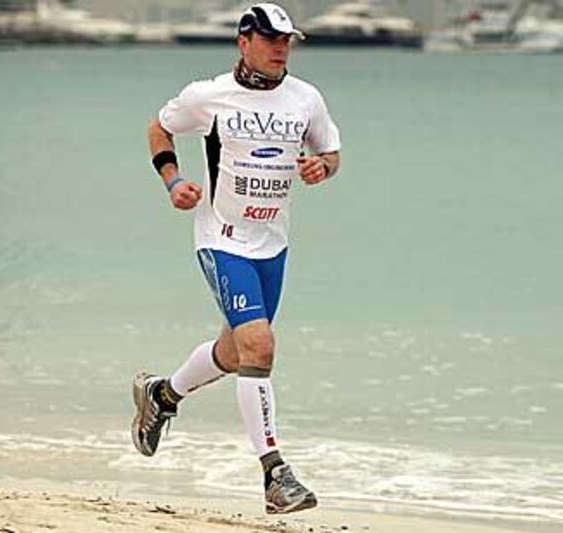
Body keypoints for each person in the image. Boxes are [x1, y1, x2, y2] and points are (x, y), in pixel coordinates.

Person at [131, 3, 341, 515]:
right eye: (271, 39)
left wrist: (321, 168)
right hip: (221, 238)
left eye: (287, 40)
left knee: (236, 351)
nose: (280, 49)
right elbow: (158, 129)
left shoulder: (305, 99)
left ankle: (162, 396)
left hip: (273, 242)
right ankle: (276, 475)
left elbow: (330, 153)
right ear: (244, 41)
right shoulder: (208, 97)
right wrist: (173, 180)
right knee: (260, 347)